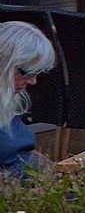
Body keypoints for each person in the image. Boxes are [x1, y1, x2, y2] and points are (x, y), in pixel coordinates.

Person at [0, 21, 55, 178]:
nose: (33, 81)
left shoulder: (7, 98)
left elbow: (24, 151)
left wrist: (59, 174)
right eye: (28, 73)